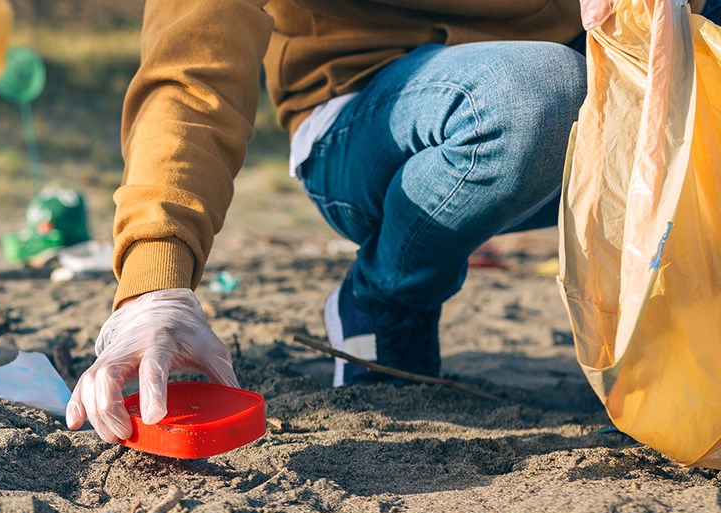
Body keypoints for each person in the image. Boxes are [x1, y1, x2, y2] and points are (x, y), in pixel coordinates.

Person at [65, 0, 721, 442]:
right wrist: (155, 283)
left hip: (587, 74)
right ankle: (385, 300)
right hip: (365, 115)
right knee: (535, 96)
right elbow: (190, 77)